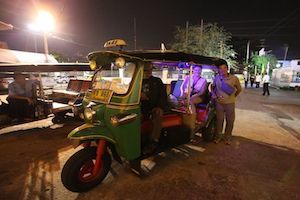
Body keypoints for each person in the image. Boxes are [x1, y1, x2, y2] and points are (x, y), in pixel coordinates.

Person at [212, 60, 242, 145]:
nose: (222, 70)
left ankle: (227, 138)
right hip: (219, 103)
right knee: (219, 121)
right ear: (218, 70)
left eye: (224, 68)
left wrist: (233, 97)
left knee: (230, 121)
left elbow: (239, 89)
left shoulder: (234, 78)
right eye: (220, 68)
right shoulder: (217, 78)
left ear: (227, 68)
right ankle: (218, 137)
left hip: (230, 104)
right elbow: (212, 87)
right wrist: (213, 94)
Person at [141, 62, 168, 146]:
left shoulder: (157, 81)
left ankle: (154, 140)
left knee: (158, 113)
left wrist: (159, 106)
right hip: (140, 107)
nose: (148, 72)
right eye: (146, 70)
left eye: (150, 70)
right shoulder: (137, 81)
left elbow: (163, 96)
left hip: (154, 106)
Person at [179, 65, 207, 135]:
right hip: (187, 94)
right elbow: (182, 87)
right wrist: (182, 94)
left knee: (190, 102)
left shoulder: (203, 80)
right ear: (193, 70)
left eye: (199, 70)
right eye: (196, 70)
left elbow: (202, 92)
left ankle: (192, 119)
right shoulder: (188, 77)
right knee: (179, 101)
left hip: (198, 96)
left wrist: (193, 96)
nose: (198, 72)